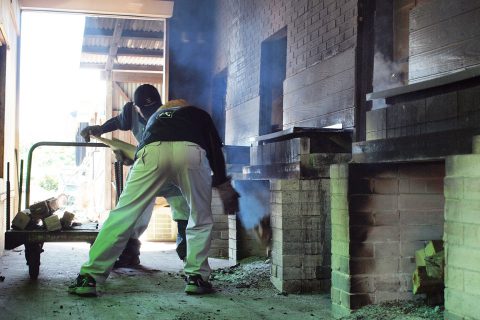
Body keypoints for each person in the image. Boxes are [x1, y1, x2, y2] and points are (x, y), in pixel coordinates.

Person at [69, 101, 239, 296]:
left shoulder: (156, 118)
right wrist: (223, 184)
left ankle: (89, 277)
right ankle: (196, 277)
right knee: (200, 216)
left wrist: (130, 159)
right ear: (186, 106)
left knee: (123, 214)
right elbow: (215, 150)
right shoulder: (198, 113)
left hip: (151, 153)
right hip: (190, 152)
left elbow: (145, 151)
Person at [80, 84, 189, 266]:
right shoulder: (130, 112)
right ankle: (128, 254)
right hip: (145, 168)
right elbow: (119, 122)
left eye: (155, 108)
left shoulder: (169, 113)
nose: (152, 114)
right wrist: (100, 129)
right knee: (132, 212)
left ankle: (189, 257)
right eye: (147, 111)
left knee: (184, 211)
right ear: (137, 108)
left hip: (171, 170)